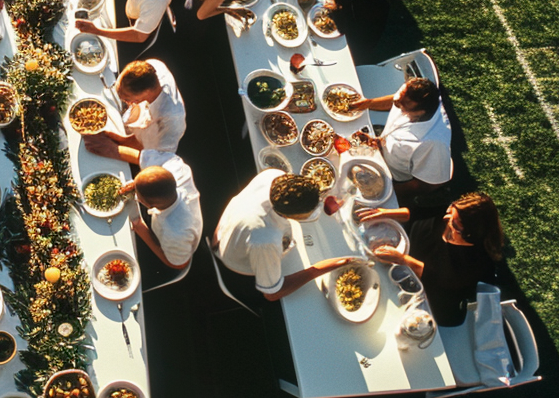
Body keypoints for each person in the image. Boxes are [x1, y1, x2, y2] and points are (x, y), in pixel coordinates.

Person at [359, 193, 502, 326]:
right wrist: (384, 214)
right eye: (451, 211)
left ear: (469, 236)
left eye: (455, 224)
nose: (446, 218)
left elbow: (439, 283)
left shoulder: (477, 265)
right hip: (403, 257)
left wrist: (403, 259)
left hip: (428, 299)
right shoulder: (452, 214)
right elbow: (418, 212)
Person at [211, 171, 356, 301]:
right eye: (312, 210)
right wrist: (317, 269)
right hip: (236, 269)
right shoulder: (266, 239)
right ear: (290, 215)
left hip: (228, 233)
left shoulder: (273, 175)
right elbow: (272, 294)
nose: (319, 207)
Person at [351, 78, 453, 197]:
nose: (396, 103)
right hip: (380, 150)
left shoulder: (434, 143)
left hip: (393, 179)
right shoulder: (408, 99)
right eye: (398, 97)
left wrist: (384, 192)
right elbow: (396, 99)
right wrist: (367, 104)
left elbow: (429, 184)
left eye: (401, 104)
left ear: (420, 112)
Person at [120, 150, 202, 274]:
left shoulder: (175, 233)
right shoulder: (176, 167)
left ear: (148, 205)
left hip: (175, 249)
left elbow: (179, 264)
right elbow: (144, 157)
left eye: (137, 194)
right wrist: (136, 184)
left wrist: (140, 228)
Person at [84, 58, 185, 153]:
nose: (122, 98)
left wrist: (113, 146)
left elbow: (153, 157)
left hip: (145, 150)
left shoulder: (170, 121)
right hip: (132, 123)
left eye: (126, 98)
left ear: (146, 94)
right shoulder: (154, 65)